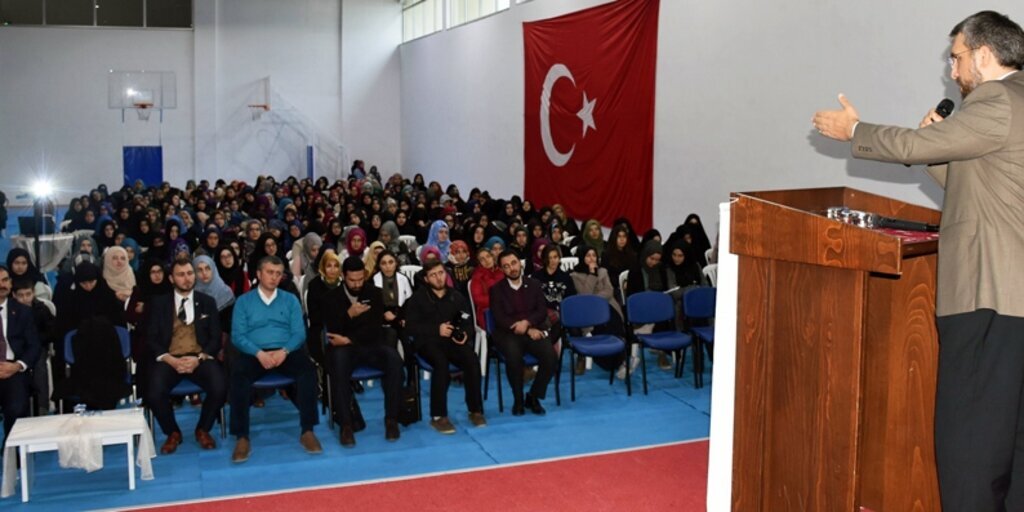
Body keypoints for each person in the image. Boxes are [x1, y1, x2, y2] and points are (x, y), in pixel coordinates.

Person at [812, 11, 1024, 510]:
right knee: (1008, 440)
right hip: (1013, 302)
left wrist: (855, 129)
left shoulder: (996, 99)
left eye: (956, 57)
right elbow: (982, 192)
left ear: (984, 55)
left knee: (970, 441)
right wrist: (935, 152)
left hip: (987, 293)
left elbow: (909, 142)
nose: (953, 72)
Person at [229, 255, 321, 463]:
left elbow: (299, 333)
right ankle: (242, 436)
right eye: (270, 272)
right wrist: (259, 353)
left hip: (285, 351)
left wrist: (285, 351)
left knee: (307, 370)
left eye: (278, 274)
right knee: (238, 375)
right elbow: (238, 336)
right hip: (255, 353)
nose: (274, 277)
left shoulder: (290, 300)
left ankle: (307, 430)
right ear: (259, 274)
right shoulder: (244, 302)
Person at [145, 258, 228, 454]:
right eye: (181, 275)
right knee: (153, 392)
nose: (187, 278)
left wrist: (199, 358)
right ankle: (172, 432)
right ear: (172, 278)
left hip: (199, 357)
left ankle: (203, 429)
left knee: (220, 387)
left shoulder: (207, 302)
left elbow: (215, 338)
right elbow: (151, 338)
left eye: (190, 273)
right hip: (170, 358)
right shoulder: (159, 304)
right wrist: (170, 359)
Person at [322, 257, 403, 447]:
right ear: (343, 277)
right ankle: (346, 425)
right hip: (344, 350)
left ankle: (391, 419)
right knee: (338, 364)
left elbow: (375, 327)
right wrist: (349, 314)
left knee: (394, 360)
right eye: (352, 280)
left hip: (370, 345)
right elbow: (333, 330)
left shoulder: (374, 293)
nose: (357, 284)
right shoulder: (331, 298)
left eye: (360, 279)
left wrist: (349, 337)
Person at [405, 260, 486, 433]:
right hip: (428, 342)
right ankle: (438, 416)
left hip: (452, 341)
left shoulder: (456, 296)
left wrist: (465, 334)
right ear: (426, 279)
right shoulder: (418, 299)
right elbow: (410, 326)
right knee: (440, 364)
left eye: (441, 273)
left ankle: (475, 410)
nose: (438, 278)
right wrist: (436, 329)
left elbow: (467, 321)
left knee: (471, 359)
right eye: (433, 275)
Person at [489, 250, 558, 416]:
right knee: (513, 356)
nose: (511, 268)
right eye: (506, 266)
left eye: (513, 263)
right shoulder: (496, 290)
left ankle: (533, 396)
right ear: (502, 270)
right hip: (508, 332)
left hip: (531, 328)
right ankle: (518, 399)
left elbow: (541, 311)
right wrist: (525, 328)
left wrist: (528, 324)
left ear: (519, 263)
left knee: (550, 357)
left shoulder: (534, 284)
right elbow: (499, 317)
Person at [0, 266, 41, 446]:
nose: (2, 285)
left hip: (13, 369)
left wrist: (17, 365)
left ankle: (12, 451)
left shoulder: (23, 311)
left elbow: (34, 345)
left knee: (16, 407)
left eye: (5, 280)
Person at [11, 278, 56, 415]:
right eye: (21, 295)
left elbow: (51, 332)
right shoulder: (9, 311)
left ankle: (43, 405)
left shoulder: (42, 309)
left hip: (37, 348)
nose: (25, 298)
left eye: (28, 294)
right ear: (14, 295)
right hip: (15, 349)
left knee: (39, 366)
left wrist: (35, 341)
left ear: (34, 293)